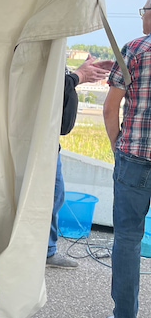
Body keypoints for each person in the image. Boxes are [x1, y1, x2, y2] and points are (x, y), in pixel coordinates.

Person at [101, 0, 151, 318]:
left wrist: (119, 146)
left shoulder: (134, 50)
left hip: (135, 157)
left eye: (143, 11)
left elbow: (110, 109)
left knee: (129, 238)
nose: (141, 17)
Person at [47, 55, 113, 269]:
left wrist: (79, 73)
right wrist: (79, 76)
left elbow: (58, 83)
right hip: (40, 144)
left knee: (55, 196)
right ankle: (45, 251)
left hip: (48, 142)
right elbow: (46, 88)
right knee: (51, 196)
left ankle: (46, 250)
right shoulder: (36, 48)